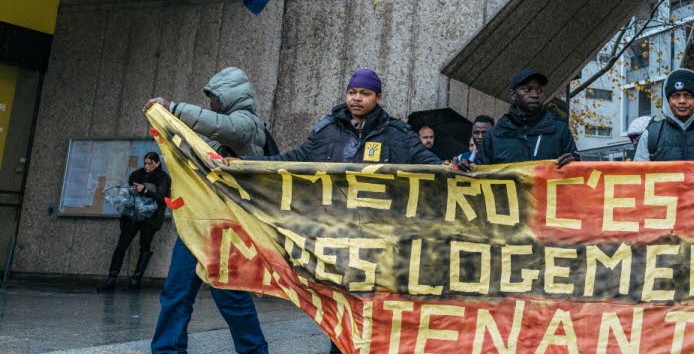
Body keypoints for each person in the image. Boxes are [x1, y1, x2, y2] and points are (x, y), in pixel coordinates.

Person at [142, 67, 269, 354]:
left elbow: (220, 127)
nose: (210, 103)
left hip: (228, 228)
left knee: (231, 299)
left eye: (213, 98)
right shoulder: (225, 128)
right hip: (197, 223)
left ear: (227, 97)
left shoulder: (248, 125)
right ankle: (167, 350)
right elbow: (203, 145)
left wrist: (172, 109)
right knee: (176, 293)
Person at [240, 69, 440, 166]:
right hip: (333, 226)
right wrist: (241, 163)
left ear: (378, 97)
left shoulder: (399, 134)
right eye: (352, 92)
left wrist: (455, 168)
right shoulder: (326, 130)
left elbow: (429, 163)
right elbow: (292, 160)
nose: (357, 98)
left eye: (365, 93)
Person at [469, 69, 578, 168]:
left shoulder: (560, 130)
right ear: (513, 95)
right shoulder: (494, 135)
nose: (535, 95)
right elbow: (479, 173)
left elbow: (578, 174)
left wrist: (574, 163)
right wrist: (465, 169)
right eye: (527, 89)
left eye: (539, 90)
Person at [97, 151, 171, 292]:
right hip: (132, 215)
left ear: (157, 163)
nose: (147, 166)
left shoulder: (163, 178)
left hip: (151, 218)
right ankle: (111, 279)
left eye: (150, 164)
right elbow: (129, 190)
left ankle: (135, 281)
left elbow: (162, 197)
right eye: (145, 163)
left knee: (145, 246)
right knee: (121, 246)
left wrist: (145, 191)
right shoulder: (137, 174)